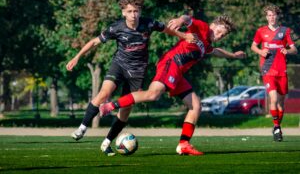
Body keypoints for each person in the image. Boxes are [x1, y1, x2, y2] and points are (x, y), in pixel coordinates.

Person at [66, 0, 195, 156]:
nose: (133, 14)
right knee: (104, 94)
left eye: (136, 11)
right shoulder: (116, 27)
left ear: (140, 12)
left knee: (125, 112)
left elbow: (167, 29)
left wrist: (184, 36)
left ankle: (106, 143)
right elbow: (94, 41)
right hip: (119, 65)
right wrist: (77, 57)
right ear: (123, 12)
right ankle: (82, 128)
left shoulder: (149, 23)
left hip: (138, 71)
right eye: (130, 11)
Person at [100, 14, 246, 155]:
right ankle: (110, 106)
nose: (219, 35)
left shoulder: (206, 43)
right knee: (153, 95)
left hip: (178, 73)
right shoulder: (203, 28)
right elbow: (187, 18)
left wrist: (233, 56)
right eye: (219, 31)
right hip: (171, 63)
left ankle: (184, 144)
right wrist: (180, 20)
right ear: (213, 25)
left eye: (223, 35)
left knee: (195, 105)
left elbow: (214, 51)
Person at [251, 4, 297, 142]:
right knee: (274, 99)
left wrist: (287, 51)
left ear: (277, 16)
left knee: (281, 103)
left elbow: (294, 49)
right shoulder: (260, 31)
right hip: (267, 69)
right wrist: (260, 51)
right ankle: (277, 128)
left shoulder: (285, 31)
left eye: (274, 15)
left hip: (281, 70)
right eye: (269, 15)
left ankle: (277, 126)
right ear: (266, 17)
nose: (271, 18)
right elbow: (253, 46)